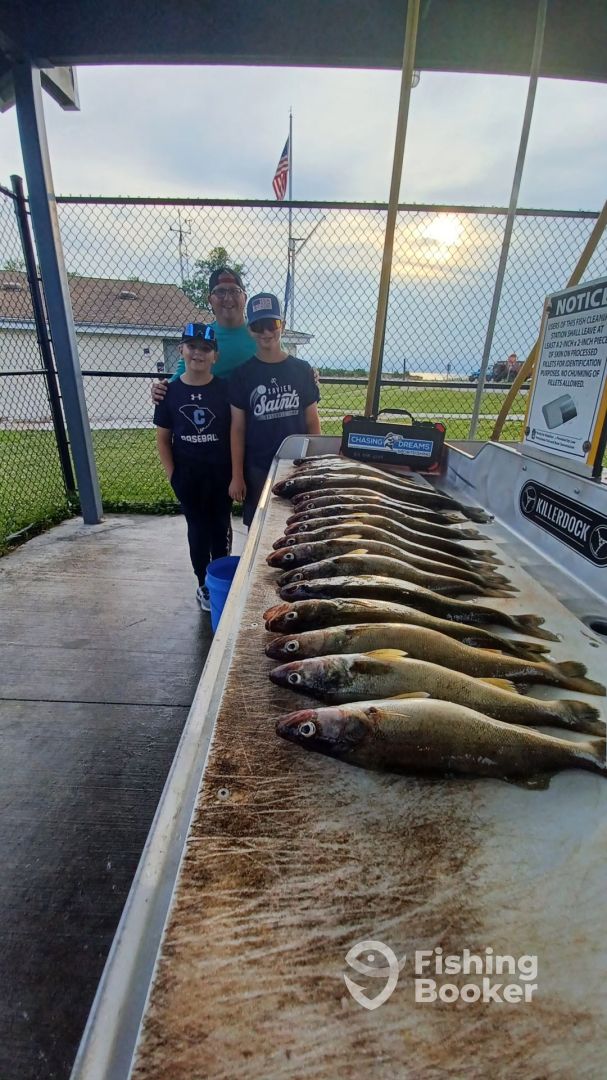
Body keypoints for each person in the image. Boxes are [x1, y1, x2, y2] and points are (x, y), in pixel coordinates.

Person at [154, 322, 232, 612]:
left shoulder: (224, 390)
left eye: (206, 348)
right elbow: (163, 439)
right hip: (188, 476)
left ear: (215, 356)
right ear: (181, 350)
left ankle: (220, 579)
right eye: (192, 346)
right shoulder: (169, 392)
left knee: (220, 529)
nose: (198, 353)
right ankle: (203, 582)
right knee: (197, 531)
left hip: (220, 475)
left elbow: (235, 432)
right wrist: (173, 475)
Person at [229, 293, 321, 527]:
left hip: (295, 464)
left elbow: (312, 421)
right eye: (258, 326)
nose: (266, 332)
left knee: (297, 523)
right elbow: (238, 429)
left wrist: (314, 464)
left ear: (283, 325)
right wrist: (237, 475)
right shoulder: (242, 374)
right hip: (258, 467)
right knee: (258, 527)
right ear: (250, 330)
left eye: (272, 324)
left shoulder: (301, 370)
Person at [151, 267, 253, 402]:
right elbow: (181, 375)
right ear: (210, 299)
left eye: (235, 291)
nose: (228, 298)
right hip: (213, 410)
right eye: (220, 292)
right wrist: (162, 389)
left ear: (245, 297)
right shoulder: (204, 337)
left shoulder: (262, 333)